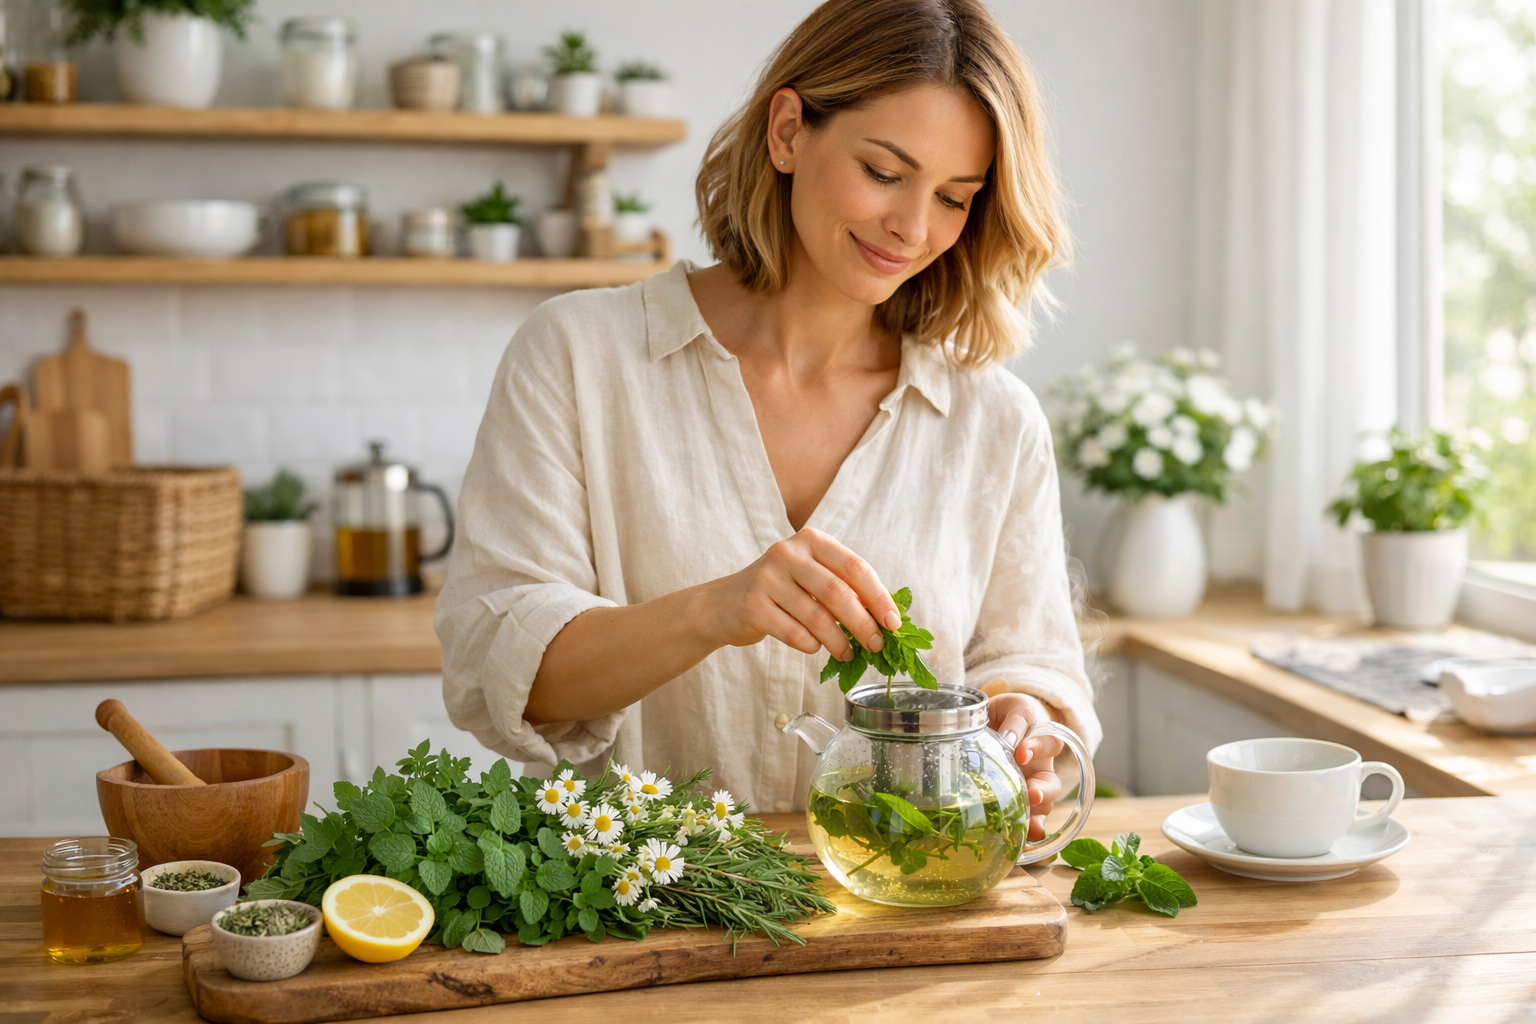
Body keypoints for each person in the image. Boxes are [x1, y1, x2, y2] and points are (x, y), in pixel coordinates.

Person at [435, 0, 1098, 841]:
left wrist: (1023, 725)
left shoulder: (992, 418)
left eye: (956, 198)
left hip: (902, 907)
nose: (914, 226)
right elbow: (502, 666)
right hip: (635, 917)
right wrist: (716, 610)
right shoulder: (577, 356)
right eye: (886, 172)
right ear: (788, 130)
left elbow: (1033, 665)